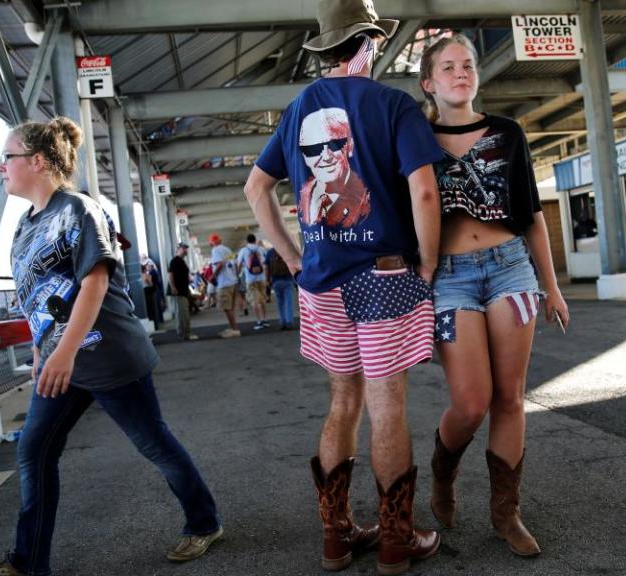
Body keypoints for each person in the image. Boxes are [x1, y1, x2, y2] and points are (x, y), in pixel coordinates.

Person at [0, 117, 222, 576]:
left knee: (154, 444)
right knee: (34, 451)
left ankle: (204, 522)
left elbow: (95, 281)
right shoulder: (25, 227)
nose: (0, 168)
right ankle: (28, 563)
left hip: (107, 358)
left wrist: (63, 351)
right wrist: (47, 349)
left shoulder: (78, 209)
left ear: (38, 161)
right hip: (63, 363)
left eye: (7, 158)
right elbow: (39, 297)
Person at [243, 1, 444, 572]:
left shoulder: (299, 108)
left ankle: (336, 538)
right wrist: (426, 264)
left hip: (322, 281)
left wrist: (292, 258)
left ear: (325, 49)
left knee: (343, 402)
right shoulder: (392, 105)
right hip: (385, 275)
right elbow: (424, 193)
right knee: (387, 405)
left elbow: (256, 190)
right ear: (369, 43)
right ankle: (395, 543)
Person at [418, 34, 570, 559]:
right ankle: (443, 472)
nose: (461, 73)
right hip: (449, 278)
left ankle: (506, 513)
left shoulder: (507, 133)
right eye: (448, 66)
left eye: (467, 65)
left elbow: (531, 216)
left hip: (510, 270)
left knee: (510, 396)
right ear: (429, 82)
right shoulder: (415, 137)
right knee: (471, 401)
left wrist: (550, 286)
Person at [208, 234, 241, 338]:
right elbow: (235, 264)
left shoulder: (215, 250)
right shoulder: (228, 250)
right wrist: (236, 276)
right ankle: (232, 328)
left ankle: (234, 330)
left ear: (211, 243)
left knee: (227, 308)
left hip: (224, 283)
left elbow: (219, 264)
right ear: (220, 240)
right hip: (233, 281)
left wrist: (213, 276)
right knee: (230, 307)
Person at [236, 234, 270, 330]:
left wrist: (237, 275)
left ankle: (259, 322)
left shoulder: (243, 250)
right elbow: (267, 263)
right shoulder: (261, 249)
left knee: (255, 301)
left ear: (247, 241)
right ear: (255, 240)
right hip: (262, 278)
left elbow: (238, 265)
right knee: (262, 299)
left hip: (250, 280)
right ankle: (265, 319)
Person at [169, 242, 198, 340]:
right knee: (183, 313)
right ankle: (185, 334)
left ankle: (183, 333)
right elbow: (170, 274)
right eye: (184, 248)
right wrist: (173, 287)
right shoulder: (175, 261)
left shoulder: (181, 261)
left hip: (183, 290)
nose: (186, 250)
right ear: (178, 249)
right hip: (179, 291)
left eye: (186, 248)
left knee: (183, 312)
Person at [266, 246, 296, 330]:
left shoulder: (270, 252)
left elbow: (267, 267)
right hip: (288, 280)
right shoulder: (287, 250)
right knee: (288, 302)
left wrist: (267, 280)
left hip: (276, 281)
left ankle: (282, 322)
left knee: (280, 303)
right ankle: (289, 321)